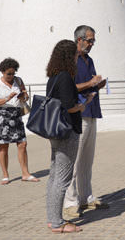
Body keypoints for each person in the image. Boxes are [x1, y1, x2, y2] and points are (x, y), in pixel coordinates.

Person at [45, 39, 94, 234]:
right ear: (69, 56)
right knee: (63, 179)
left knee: (54, 176)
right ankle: (57, 223)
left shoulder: (54, 76)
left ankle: (52, 219)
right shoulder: (65, 76)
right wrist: (84, 105)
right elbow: (69, 105)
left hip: (55, 131)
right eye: (75, 54)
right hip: (67, 131)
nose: (77, 58)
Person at [63, 25, 109, 216]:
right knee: (74, 160)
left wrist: (97, 85)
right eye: (89, 40)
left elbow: (89, 85)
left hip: (91, 111)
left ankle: (86, 198)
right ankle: (70, 202)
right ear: (79, 39)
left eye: (93, 41)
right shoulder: (70, 60)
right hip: (77, 114)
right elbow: (68, 86)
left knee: (87, 160)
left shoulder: (88, 59)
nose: (92, 44)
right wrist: (90, 84)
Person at [0, 57, 39, 185]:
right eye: (8, 74)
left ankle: (25, 173)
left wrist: (24, 96)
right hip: (2, 116)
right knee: (3, 146)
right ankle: (5, 175)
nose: (11, 76)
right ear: (2, 72)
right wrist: (7, 98)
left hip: (16, 115)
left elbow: (25, 95)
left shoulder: (18, 80)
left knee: (22, 144)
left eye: (13, 73)